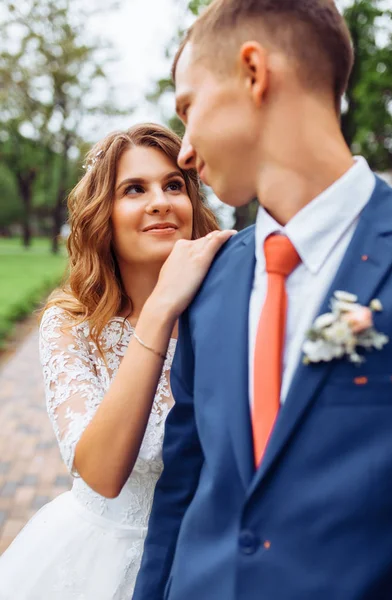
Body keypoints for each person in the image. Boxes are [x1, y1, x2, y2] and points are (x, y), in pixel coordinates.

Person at [133, 1, 392, 599]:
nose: (183, 150)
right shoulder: (211, 278)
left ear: (253, 72)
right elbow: (184, 484)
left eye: (188, 107)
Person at [0, 123, 235, 599]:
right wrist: (162, 307)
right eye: (134, 189)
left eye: (174, 184)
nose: (160, 201)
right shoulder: (72, 325)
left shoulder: (228, 310)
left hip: (207, 560)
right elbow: (102, 473)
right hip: (99, 565)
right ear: (102, 214)